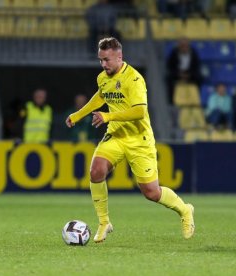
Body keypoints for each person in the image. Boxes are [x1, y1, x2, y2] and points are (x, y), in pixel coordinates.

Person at [65, 37, 195, 243]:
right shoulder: (103, 78)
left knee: (152, 193)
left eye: (107, 60)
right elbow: (101, 96)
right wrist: (78, 115)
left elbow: (139, 111)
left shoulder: (134, 79)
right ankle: (104, 222)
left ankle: (185, 210)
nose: (103, 64)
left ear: (119, 56)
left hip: (138, 139)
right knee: (96, 170)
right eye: (100, 60)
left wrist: (107, 116)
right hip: (116, 135)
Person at [166, 37, 202, 104]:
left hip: (190, 74)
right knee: (169, 79)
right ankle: (171, 101)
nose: (184, 47)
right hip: (178, 73)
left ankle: (197, 100)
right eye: (182, 45)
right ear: (179, 46)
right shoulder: (174, 53)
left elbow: (196, 66)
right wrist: (179, 74)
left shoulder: (193, 53)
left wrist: (189, 74)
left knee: (199, 78)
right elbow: (170, 66)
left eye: (185, 45)